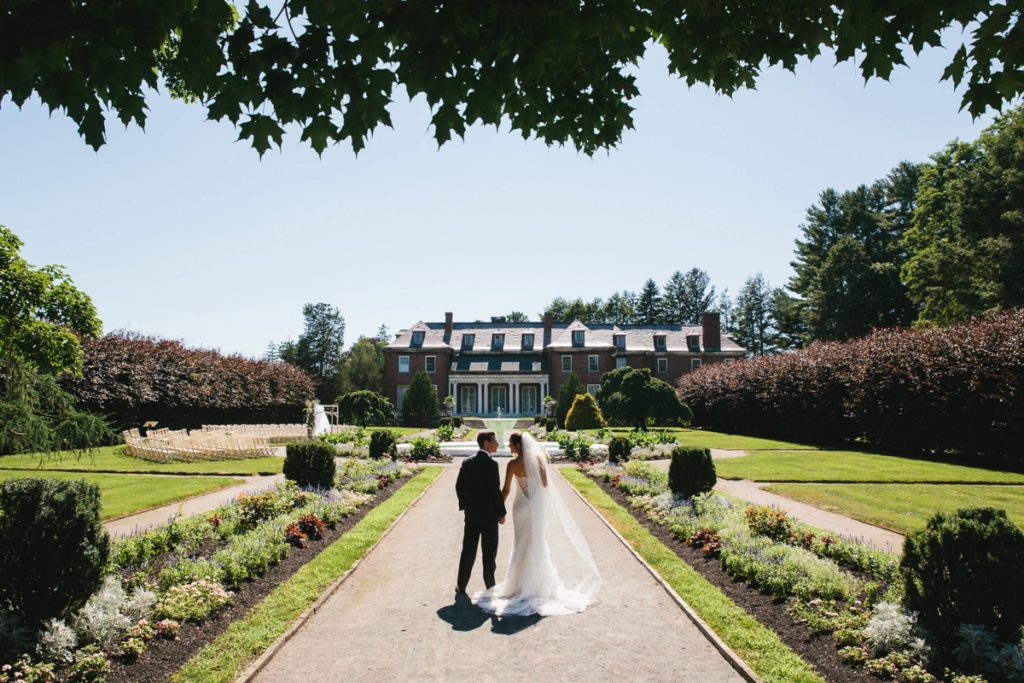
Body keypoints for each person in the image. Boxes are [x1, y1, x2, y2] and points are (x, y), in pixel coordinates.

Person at [473, 431, 601, 616]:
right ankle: (538, 583)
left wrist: (499, 511)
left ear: (517, 446)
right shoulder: (538, 460)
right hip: (535, 507)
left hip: (520, 508)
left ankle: (518, 584)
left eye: (510, 444)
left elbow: (507, 489)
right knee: (537, 543)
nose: (508, 446)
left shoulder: (512, 464)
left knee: (520, 544)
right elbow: (545, 484)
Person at [455, 430, 506, 596]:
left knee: (468, 550)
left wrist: (465, 505)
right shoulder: (492, 465)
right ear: (486, 443)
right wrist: (501, 512)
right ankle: (490, 586)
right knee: (489, 553)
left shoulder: (467, 462)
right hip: (489, 517)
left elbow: (459, 486)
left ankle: (461, 586)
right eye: (495, 441)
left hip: (471, 515)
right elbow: (495, 491)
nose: (497, 444)